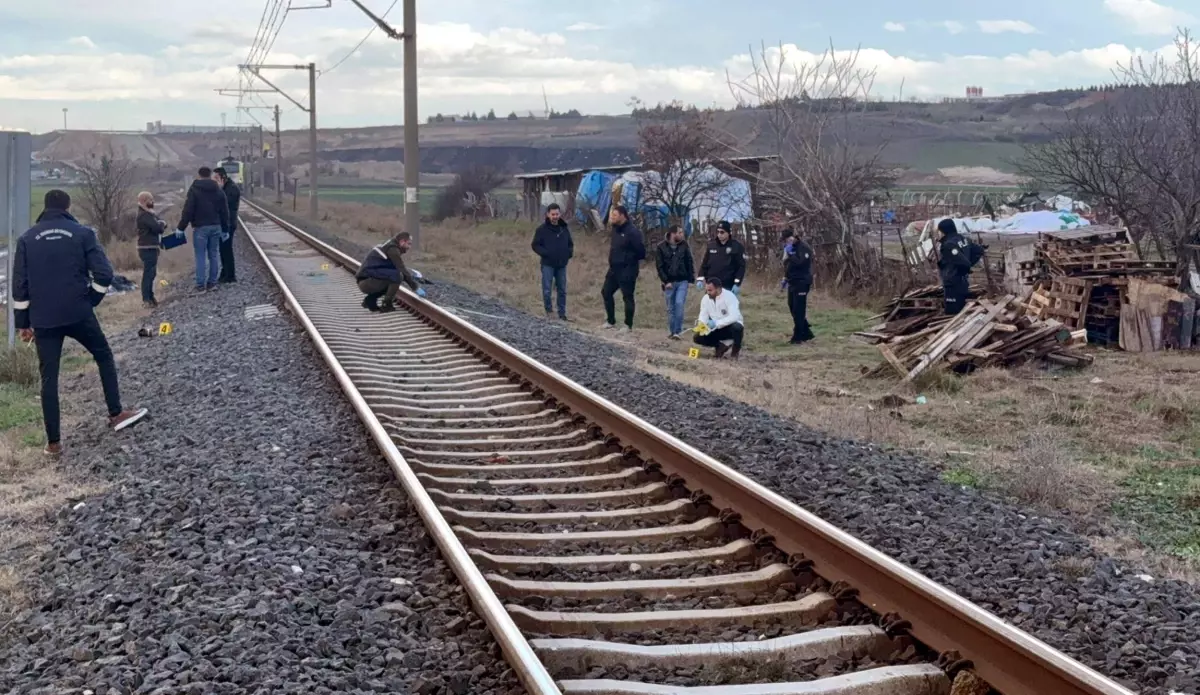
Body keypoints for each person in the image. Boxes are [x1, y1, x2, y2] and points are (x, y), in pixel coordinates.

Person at [11, 190, 149, 458]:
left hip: (44, 320)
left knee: (49, 378)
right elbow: (105, 273)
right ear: (67, 206)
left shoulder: (26, 239)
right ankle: (116, 413)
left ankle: (54, 444)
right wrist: (92, 300)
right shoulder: (83, 234)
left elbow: (20, 286)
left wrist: (23, 323)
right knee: (103, 356)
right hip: (78, 313)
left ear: (45, 208)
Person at [176, 166, 229, 293]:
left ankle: (200, 285)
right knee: (214, 255)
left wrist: (181, 227)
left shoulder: (194, 190)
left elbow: (188, 210)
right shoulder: (218, 190)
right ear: (210, 175)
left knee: (200, 256)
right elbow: (224, 211)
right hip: (216, 226)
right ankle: (212, 283)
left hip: (200, 228)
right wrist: (225, 229)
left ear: (198, 175)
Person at [600, 205, 645, 331]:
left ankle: (628, 325)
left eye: (614, 215)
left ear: (622, 215)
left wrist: (627, 259)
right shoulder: (615, 229)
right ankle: (610, 321)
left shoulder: (633, 232)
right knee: (606, 292)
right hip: (614, 268)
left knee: (627, 296)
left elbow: (641, 252)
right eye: (611, 215)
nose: (612, 218)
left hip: (627, 269)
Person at [356, 231, 424, 312]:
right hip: (366, 282)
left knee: (394, 276)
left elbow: (399, 268)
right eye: (408, 244)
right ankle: (386, 304)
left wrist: (411, 277)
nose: (409, 247)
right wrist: (415, 287)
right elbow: (401, 269)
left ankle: (370, 300)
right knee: (397, 276)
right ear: (402, 242)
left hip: (367, 280)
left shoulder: (390, 245)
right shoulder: (393, 250)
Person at [531, 202, 573, 320]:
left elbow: (570, 244)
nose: (555, 216)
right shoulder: (542, 229)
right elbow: (535, 245)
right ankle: (549, 311)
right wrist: (546, 253)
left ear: (560, 214)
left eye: (557, 214)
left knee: (562, 290)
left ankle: (562, 313)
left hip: (561, 265)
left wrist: (568, 254)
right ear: (548, 215)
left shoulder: (564, 228)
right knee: (547, 289)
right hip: (547, 264)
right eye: (553, 214)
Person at [936, 218, 985, 315]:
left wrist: (966, 266)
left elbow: (962, 262)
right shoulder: (964, 239)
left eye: (939, 231)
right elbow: (979, 250)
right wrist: (970, 263)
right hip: (963, 281)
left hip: (953, 282)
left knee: (952, 313)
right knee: (962, 308)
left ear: (943, 231)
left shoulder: (948, 245)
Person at [655, 223, 695, 340]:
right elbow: (659, 266)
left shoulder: (684, 246)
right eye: (680, 232)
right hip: (669, 282)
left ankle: (678, 331)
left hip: (682, 280)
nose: (682, 235)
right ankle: (672, 331)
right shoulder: (661, 247)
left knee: (679, 304)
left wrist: (691, 279)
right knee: (671, 308)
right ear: (673, 234)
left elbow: (689, 262)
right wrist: (665, 280)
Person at [694, 277, 744, 359]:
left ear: (718, 289)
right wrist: (701, 323)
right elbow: (703, 314)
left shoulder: (730, 297)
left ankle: (735, 351)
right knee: (697, 338)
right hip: (716, 329)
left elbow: (735, 316)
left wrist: (716, 323)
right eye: (707, 290)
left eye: (710, 290)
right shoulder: (705, 299)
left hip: (730, 327)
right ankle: (721, 346)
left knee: (737, 328)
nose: (708, 292)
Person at [781, 229, 815, 344]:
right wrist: (785, 277)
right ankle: (806, 331)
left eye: (787, 240)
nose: (787, 243)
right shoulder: (791, 248)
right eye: (785, 241)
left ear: (793, 237)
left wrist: (791, 254)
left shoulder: (803, 248)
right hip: (793, 281)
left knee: (799, 309)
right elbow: (789, 265)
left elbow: (800, 263)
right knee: (792, 306)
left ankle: (798, 336)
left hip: (802, 281)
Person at [697, 220, 746, 297]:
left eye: (722, 232)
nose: (719, 234)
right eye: (718, 232)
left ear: (728, 233)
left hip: (728, 285)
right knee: (711, 307)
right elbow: (705, 264)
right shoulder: (711, 245)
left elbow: (741, 266)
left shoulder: (736, 246)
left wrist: (737, 283)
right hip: (711, 284)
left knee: (727, 308)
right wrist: (700, 279)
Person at [135, 191, 167, 308]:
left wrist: (161, 223)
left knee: (151, 273)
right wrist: (162, 224)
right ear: (144, 201)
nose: (152, 202)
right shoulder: (144, 215)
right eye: (150, 200)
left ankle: (151, 297)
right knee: (148, 273)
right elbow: (157, 228)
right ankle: (146, 299)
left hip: (151, 247)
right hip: (147, 248)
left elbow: (160, 224)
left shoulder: (148, 214)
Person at [213, 166, 241, 284]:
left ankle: (230, 275)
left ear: (222, 178)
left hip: (228, 223)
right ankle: (225, 273)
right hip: (223, 223)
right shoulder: (225, 188)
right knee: (223, 249)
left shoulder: (232, 189)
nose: (214, 181)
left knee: (227, 249)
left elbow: (224, 204)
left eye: (216, 179)